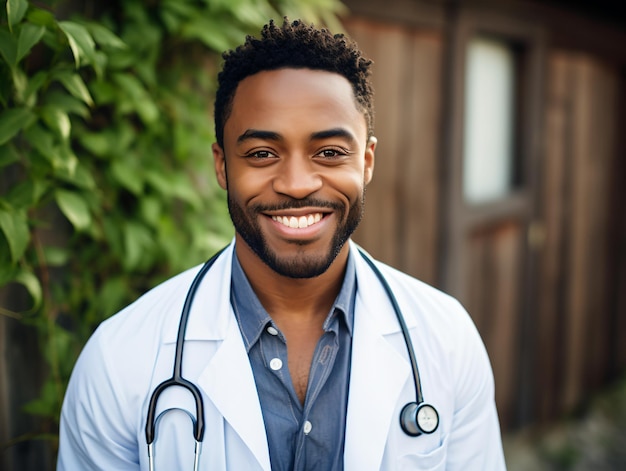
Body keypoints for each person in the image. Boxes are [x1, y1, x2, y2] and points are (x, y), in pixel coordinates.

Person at [57, 19, 506, 470]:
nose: (296, 184)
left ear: (366, 162)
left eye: (329, 152)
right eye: (261, 154)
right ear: (221, 165)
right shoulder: (118, 361)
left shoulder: (446, 341)